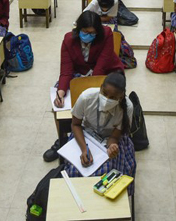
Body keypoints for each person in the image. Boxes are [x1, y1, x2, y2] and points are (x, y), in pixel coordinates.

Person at [45, 12, 124, 161]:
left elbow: (102, 65)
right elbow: (66, 69)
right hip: (80, 72)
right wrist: (61, 92)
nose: (88, 35)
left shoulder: (106, 34)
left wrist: (89, 91)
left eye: (92, 33)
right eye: (85, 32)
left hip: (105, 73)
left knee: (103, 99)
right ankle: (62, 139)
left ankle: (101, 135)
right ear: (78, 29)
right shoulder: (69, 40)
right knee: (59, 102)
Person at [64, 73, 136, 194]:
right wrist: (84, 149)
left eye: (113, 98)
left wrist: (112, 146)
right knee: (75, 171)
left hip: (110, 138)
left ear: (121, 96)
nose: (107, 99)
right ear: (101, 87)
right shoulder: (86, 98)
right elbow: (75, 125)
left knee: (111, 173)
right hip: (85, 134)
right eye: (105, 93)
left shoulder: (127, 107)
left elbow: (115, 136)